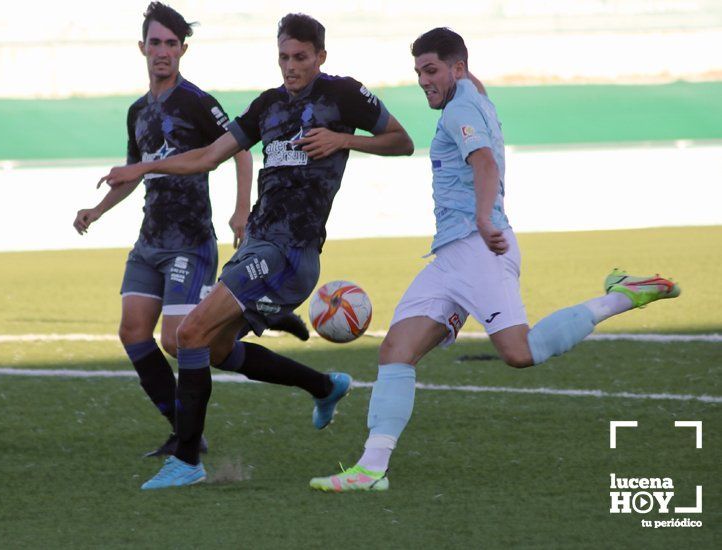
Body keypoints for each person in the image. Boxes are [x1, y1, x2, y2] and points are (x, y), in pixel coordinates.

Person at [309, 27, 681, 492]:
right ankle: (371, 468)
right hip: (450, 256)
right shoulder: (470, 94)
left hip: (477, 246)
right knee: (396, 350)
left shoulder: (461, 108)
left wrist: (484, 218)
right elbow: (472, 96)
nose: (425, 80)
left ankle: (623, 296)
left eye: (433, 70)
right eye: (419, 72)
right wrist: (458, 75)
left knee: (519, 352)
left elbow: (483, 162)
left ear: (457, 68)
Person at [98, 13, 415, 489]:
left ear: (320, 57)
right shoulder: (267, 105)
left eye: (301, 58)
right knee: (215, 347)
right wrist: (143, 168)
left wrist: (343, 139)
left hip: (291, 251)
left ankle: (186, 458)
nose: (291, 67)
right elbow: (209, 156)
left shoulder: (343, 95)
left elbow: (402, 141)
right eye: (284, 57)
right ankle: (324, 386)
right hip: (258, 247)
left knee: (190, 333)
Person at [73, 2, 258, 458]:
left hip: (189, 240)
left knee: (176, 340)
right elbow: (136, 171)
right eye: (155, 42)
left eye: (171, 44)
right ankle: (183, 429)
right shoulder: (138, 111)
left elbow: (241, 151)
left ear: (183, 50)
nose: (162, 51)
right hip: (149, 241)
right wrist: (97, 209)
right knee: (132, 333)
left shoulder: (198, 101)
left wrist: (241, 211)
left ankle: (242, 320)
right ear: (142, 47)